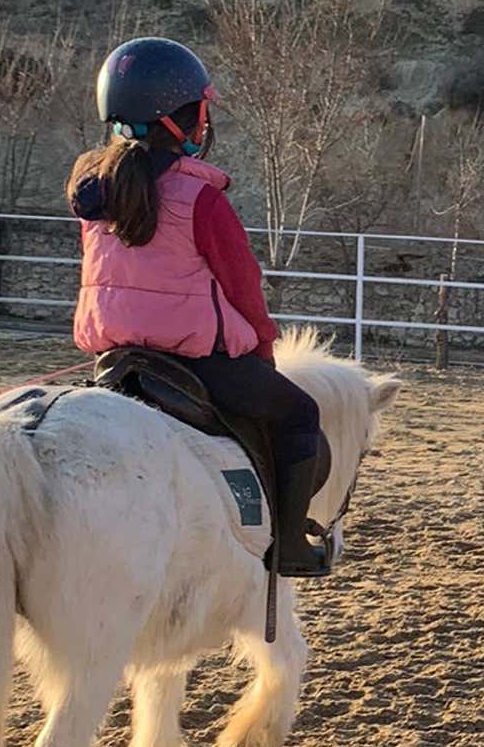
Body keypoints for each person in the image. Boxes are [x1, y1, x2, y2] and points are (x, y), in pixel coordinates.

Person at [67, 36, 334, 574]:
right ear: (177, 121)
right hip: (199, 362)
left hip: (116, 359)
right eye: (199, 112)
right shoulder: (200, 198)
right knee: (300, 414)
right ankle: (289, 546)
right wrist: (260, 347)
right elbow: (243, 285)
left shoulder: (96, 193)